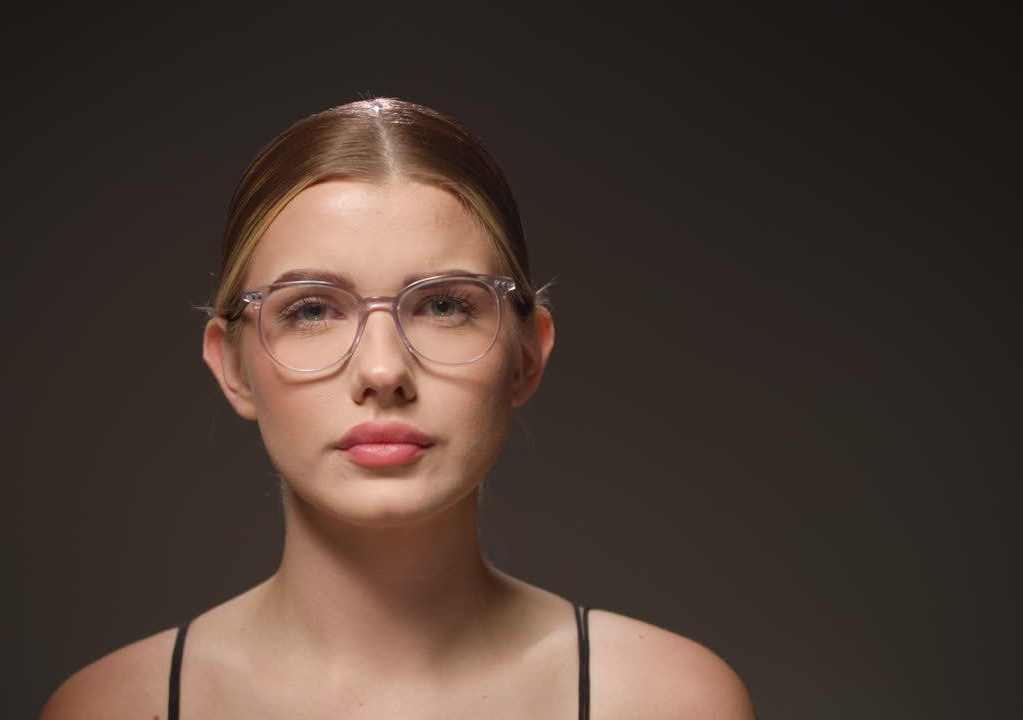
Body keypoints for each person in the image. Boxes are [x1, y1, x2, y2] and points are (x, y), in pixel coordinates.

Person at [41, 97, 756, 719]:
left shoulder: (669, 704)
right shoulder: (107, 709)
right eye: (313, 309)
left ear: (528, 353)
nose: (383, 372)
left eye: (445, 305)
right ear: (232, 365)